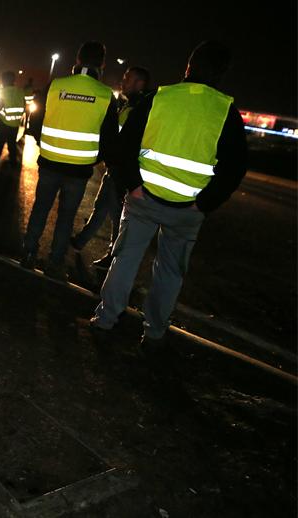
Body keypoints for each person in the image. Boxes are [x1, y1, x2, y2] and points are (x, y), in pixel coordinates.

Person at [91, 41, 247, 345]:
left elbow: (123, 148)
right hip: (187, 210)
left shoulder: (158, 98)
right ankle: (154, 331)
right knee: (170, 272)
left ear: (188, 68)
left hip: (143, 199)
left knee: (125, 259)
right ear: (221, 74)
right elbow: (234, 168)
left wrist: (133, 185)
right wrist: (203, 203)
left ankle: (105, 320)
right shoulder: (226, 112)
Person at [20, 41, 119, 280]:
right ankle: (54, 264)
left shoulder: (55, 85)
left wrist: (45, 144)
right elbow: (109, 139)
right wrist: (94, 158)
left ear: (77, 60)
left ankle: (28, 254)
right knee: (66, 217)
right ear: (102, 64)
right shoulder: (105, 95)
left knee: (40, 209)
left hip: (50, 162)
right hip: (79, 169)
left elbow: (35, 119)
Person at [71, 66, 152, 269]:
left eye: (128, 78)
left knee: (118, 216)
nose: (123, 81)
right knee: (102, 206)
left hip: (123, 171)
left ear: (140, 83)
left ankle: (112, 258)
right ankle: (80, 241)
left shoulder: (140, 110)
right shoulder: (128, 105)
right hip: (114, 168)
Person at [0, 70, 26, 170]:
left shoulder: (2, 91)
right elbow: (24, 106)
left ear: (4, 80)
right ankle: (13, 164)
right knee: (12, 144)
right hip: (15, 124)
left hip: (3, 123)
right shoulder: (20, 91)